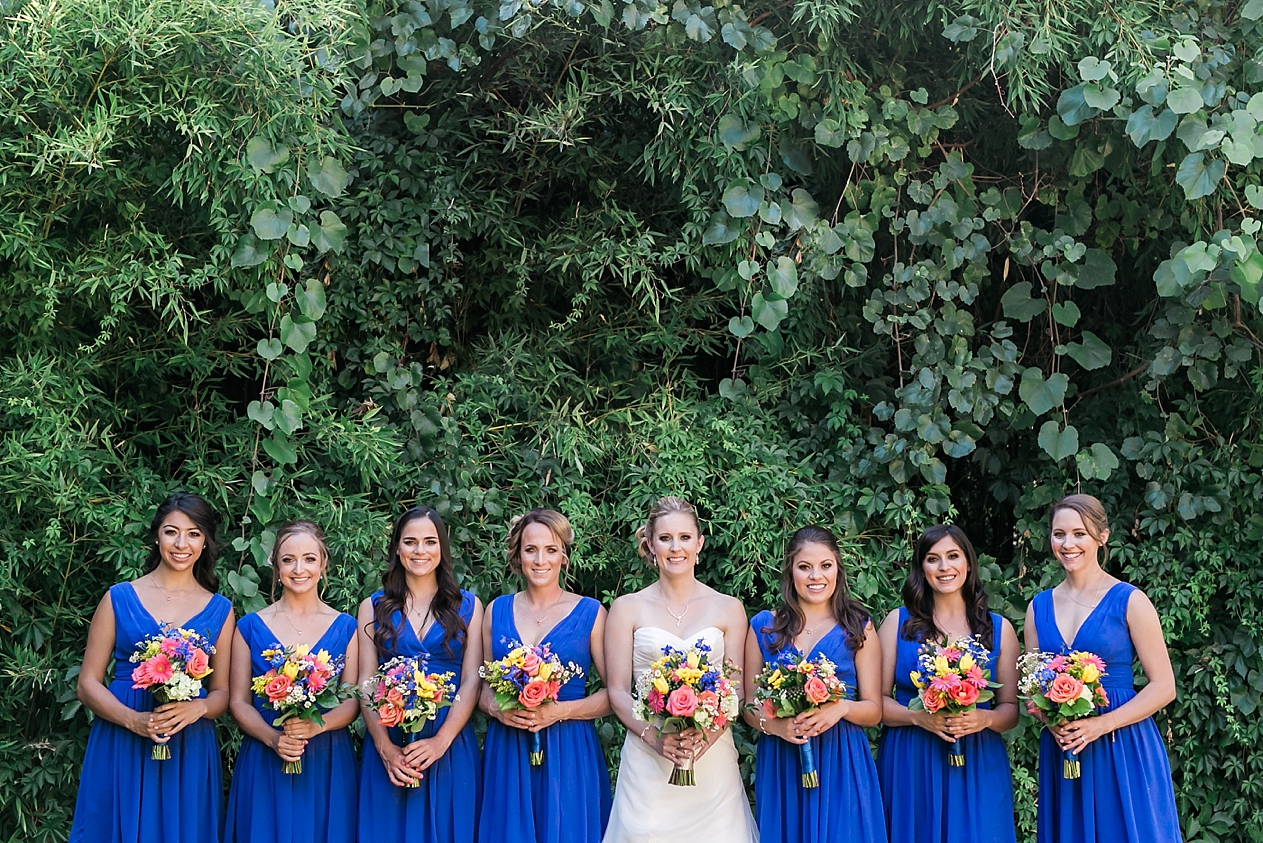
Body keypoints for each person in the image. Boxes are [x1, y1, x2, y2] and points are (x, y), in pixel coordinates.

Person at [70, 492, 235, 843]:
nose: (181, 544)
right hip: (122, 736)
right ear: (157, 535)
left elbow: (222, 693)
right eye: (171, 532)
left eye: (193, 534)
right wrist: (133, 720)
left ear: (205, 542)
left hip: (188, 743)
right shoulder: (118, 597)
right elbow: (87, 683)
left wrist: (198, 707)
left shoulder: (221, 609)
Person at [1026, 494, 1181, 843]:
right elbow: (1032, 688)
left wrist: (1102, 724)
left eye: (1079, 534)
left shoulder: (1130, 600)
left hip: (1121, 744)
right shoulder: (1038, 608)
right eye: (1059, 534)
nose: (1068, 544)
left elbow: (1164, 686)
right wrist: (1050, 720)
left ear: (1102, 537)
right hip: (1065, 747)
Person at [601, 496, 757, 843]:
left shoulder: (729, 608)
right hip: (647, 761)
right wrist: (655, 738)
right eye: (665, 538)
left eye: (685, 537)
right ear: (650, 544)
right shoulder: (626, 608)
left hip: (711, 762)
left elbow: (735, 690)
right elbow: (617, 691)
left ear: (699, 543)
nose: (676, 548)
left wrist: (704, 739)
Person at [877, 524, 1019, 843]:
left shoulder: (999, 629)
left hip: (978, 758)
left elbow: (1010, 710)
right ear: (921, 568)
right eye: (933, 559)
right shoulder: (897, 623)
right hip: (911, 758)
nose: (944, 567)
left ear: (968, 563)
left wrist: (984, 718)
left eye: (953, 556)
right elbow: (877, 704)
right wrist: (918, 717)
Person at [477, 509, 612, 843]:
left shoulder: (591, 612)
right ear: (518, 556)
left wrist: (559, 711)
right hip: (509, 746)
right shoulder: (496, 610)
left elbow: (615, 695)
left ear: (564, 556)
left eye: (551, 550)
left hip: (569, 749)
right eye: (530, 550)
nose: (540, 560)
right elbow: (482, 687)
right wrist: (498, 709)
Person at [744, 525, 886, 843]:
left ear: (838, 569)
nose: (815, 576)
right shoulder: (764, 627)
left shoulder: (858, 627)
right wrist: (776, 726)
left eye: (825, 565)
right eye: (804, 567)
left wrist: (841, 708)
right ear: (790, 571)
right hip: (782, 758)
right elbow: (749, 706)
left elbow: (874, 710)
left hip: (841, 757)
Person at [225, 520, 359, 842]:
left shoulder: (346, 627)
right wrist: (273, 738)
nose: (299, 569)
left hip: (327, 758)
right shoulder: (249, 627)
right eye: (288, 560)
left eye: (309, 559)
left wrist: (316, 726)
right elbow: (238, 701)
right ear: (276, 565)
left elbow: (351, 702)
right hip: (265, 755)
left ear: (323, 563)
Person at [356, 505, 484, 843]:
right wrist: (385, 749)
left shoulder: (469, 606)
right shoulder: (373, 606)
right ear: (397, 548)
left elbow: (472, 679)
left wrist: (441, 742)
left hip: (449, 741)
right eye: (410, 542)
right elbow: (366, 683)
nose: (420, 551)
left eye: (430, 542)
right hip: (390, 739)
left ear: (442, 548)